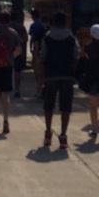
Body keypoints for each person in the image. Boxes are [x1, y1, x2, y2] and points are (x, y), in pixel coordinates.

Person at [39, 11, 79, 149]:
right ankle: (63, 136)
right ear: (65, 22)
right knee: (66, 107)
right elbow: (76, 56)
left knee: (48, 106)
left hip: (51, 75)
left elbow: (43, 58)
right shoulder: (71, 37)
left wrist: (42, 79)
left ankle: (48, 133)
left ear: (53, 22)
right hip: (67, 76)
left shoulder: (47, 37)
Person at [0, 12, 21, 134]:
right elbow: (19, 49)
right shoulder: (13, 33)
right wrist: (11, 57)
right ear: (9, 20)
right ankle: (6, 119)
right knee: (5, 94)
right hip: (8, 66)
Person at [28, 9, 47, 97]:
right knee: (44, 73)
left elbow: (33, 39)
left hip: (38, 52)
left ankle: (39, 90)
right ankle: (43, 89)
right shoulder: (47, 28)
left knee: (38, 72)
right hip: (47, 53)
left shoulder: (34, 26)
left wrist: (31, 49)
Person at [12, 14, 28, 98]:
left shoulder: (7, 27)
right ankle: (17, 89)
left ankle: (3, 89)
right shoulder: (21, 27)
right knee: (17, 71)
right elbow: (25, 38)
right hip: (18, 50)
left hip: (6, 51)